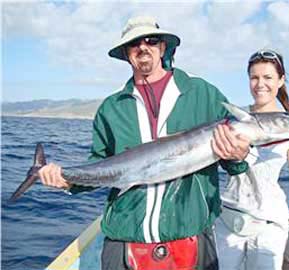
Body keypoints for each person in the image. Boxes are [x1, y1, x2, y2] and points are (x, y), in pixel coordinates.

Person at [38, 16, 251, 270]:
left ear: (163, 47)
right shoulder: (111, 109)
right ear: (126, 53)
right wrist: (67, 181)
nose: (143, 47)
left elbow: (236, 164)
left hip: (190, 234)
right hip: (124, 234)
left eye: (151, 40)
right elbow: (99, 164)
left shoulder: (203, 93)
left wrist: (238, 156)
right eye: (134, 43)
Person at [215, 49, 289, 270]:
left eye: (268, 77)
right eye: (254, 77)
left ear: (281, 80)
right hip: (228, 217)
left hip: (269, 224)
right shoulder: (233, 119)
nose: (260, 84)